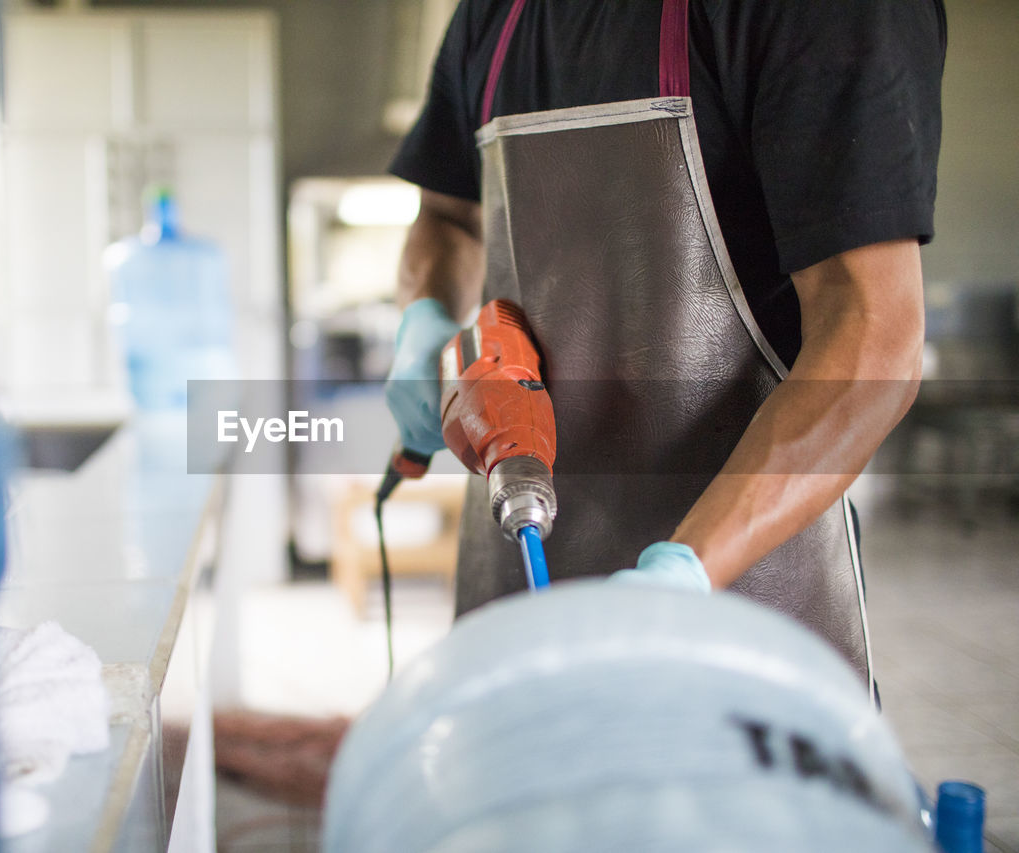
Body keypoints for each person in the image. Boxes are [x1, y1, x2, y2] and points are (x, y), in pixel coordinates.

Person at [384, 0, 946, 694]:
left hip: (735, 601)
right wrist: (424, 325)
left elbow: (875, 334)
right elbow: (446, 216)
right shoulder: (492, 16)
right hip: (513, 574)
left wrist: (685, 573)